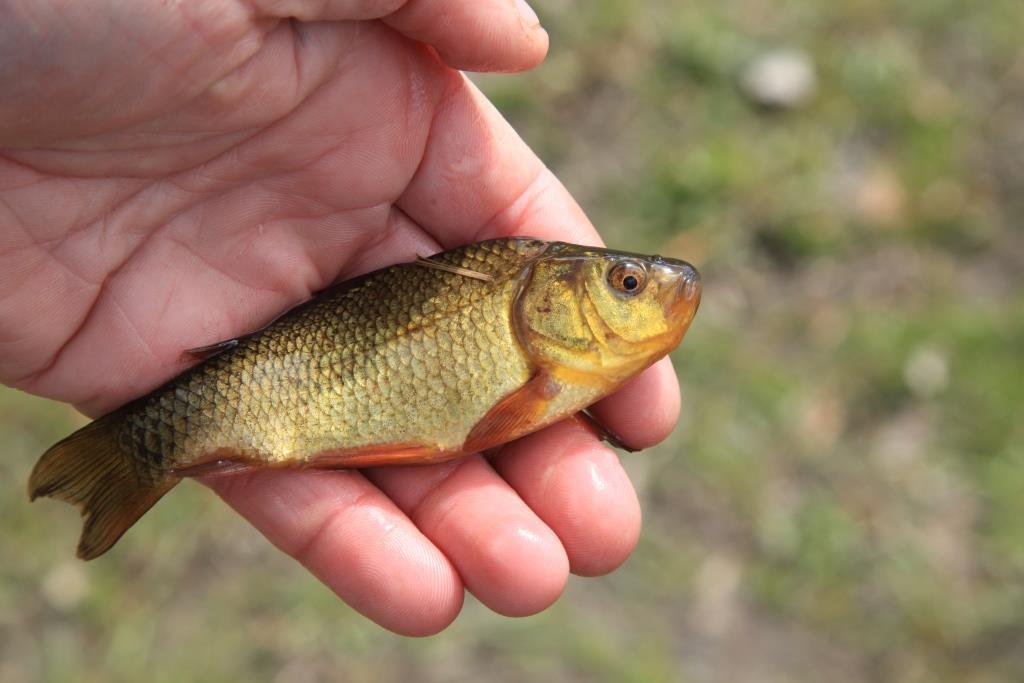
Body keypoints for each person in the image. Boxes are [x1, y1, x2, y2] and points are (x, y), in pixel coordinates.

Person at [0, 0, 681, 635]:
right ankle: (139, 447)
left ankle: (147, 447)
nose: (658, 290)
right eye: (626, 283)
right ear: (551, 294)